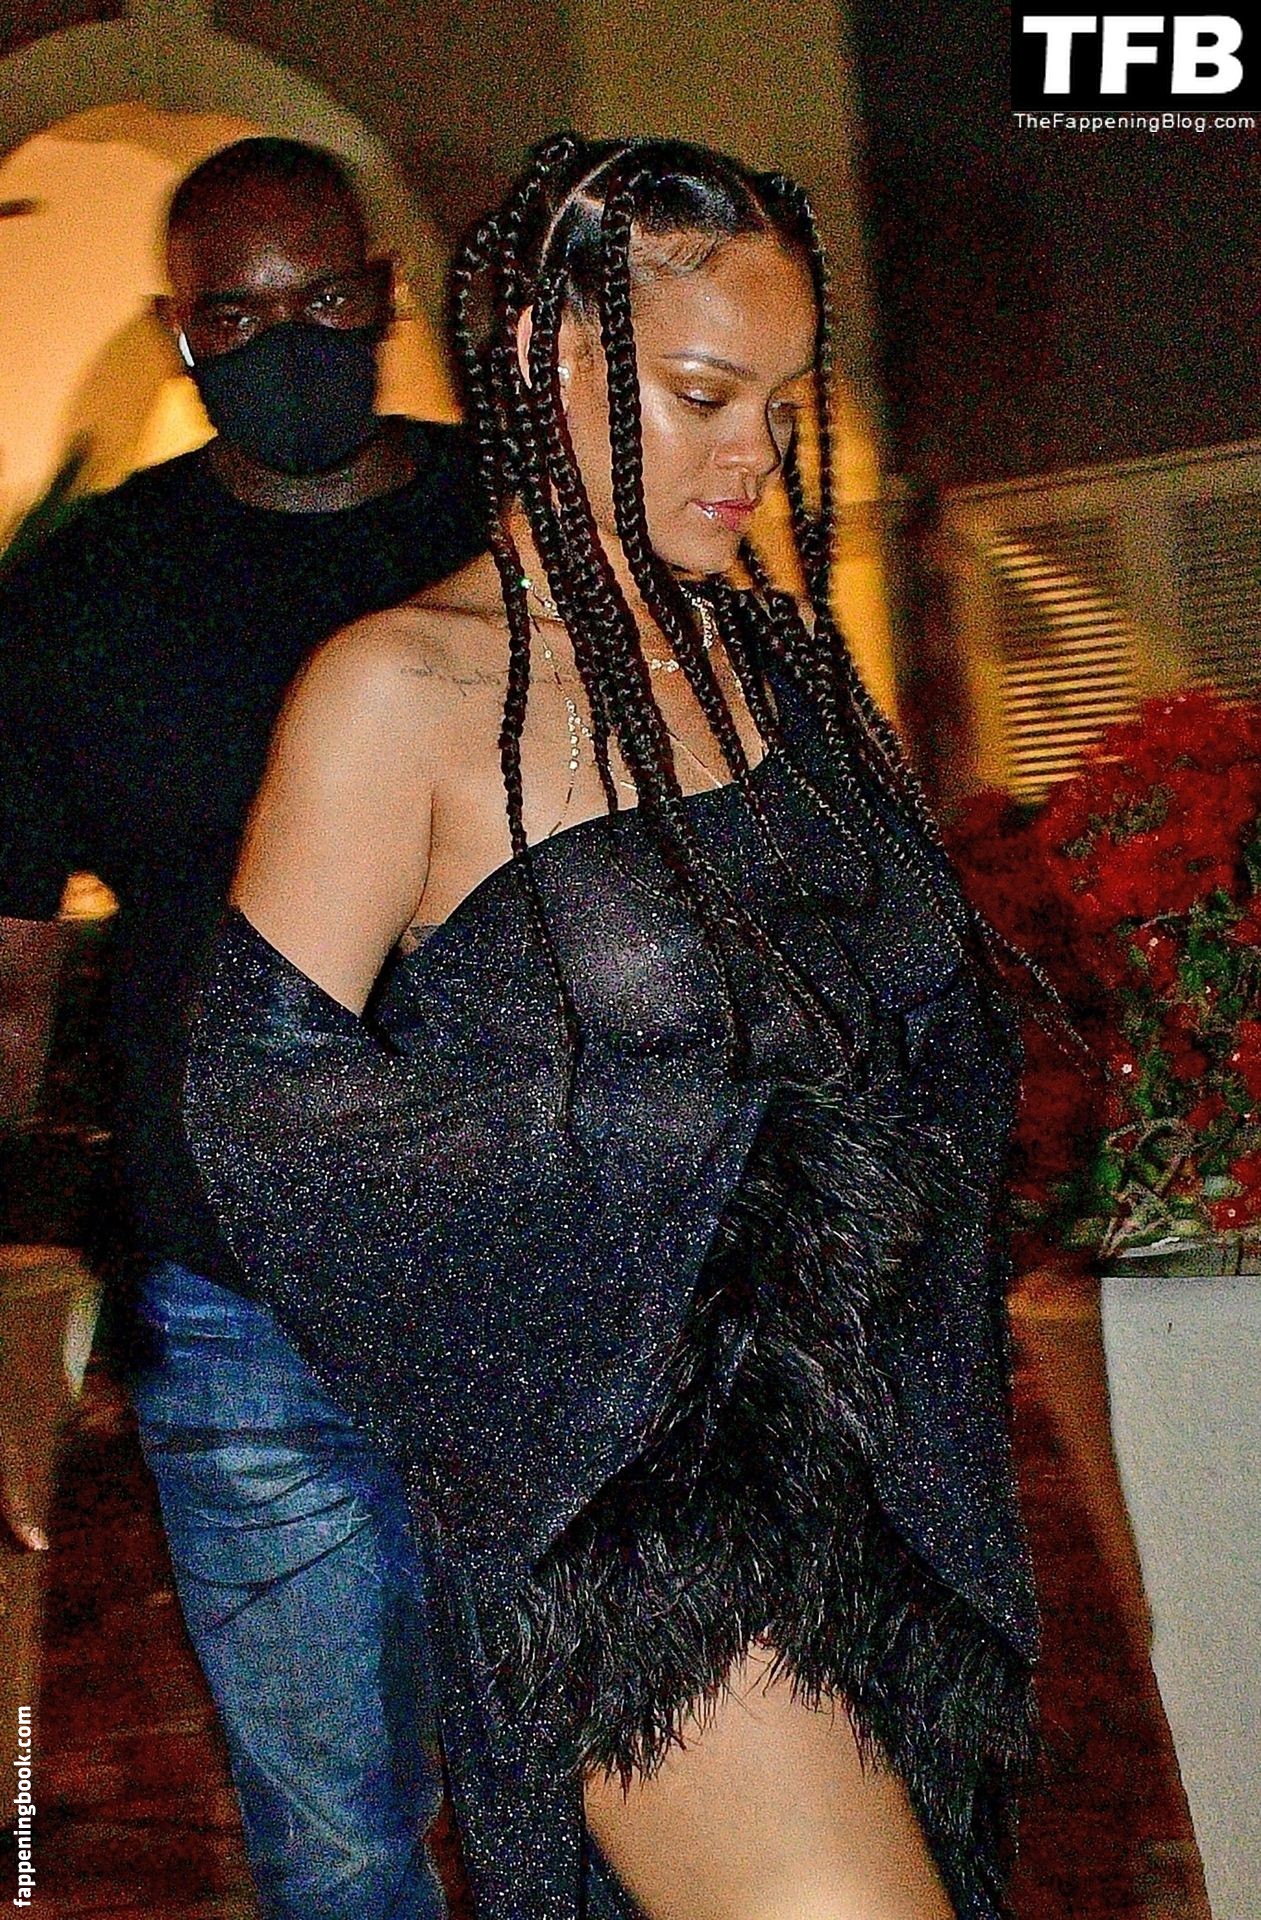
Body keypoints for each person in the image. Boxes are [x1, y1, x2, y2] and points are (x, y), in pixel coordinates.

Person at [184, 134, 1040, 1920]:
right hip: (638, 1503)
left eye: (781, 405)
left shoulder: (777, 659)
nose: (756, 456)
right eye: (702, 395)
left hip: (879, 1472)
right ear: (539, 360)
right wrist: (633, 1179)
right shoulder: (399, 690)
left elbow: (913, 1039)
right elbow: (259, 1110)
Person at [0, 136, 483, 1919]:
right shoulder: (83, 596)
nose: (289, 344)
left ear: (386, 295)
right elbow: (12, 964)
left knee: (593, 1800)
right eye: (238, 318)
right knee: (333, 1843)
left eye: (325, 299)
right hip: (238, 1295)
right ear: (178, 333)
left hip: (543, 1271)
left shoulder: (520, 528)